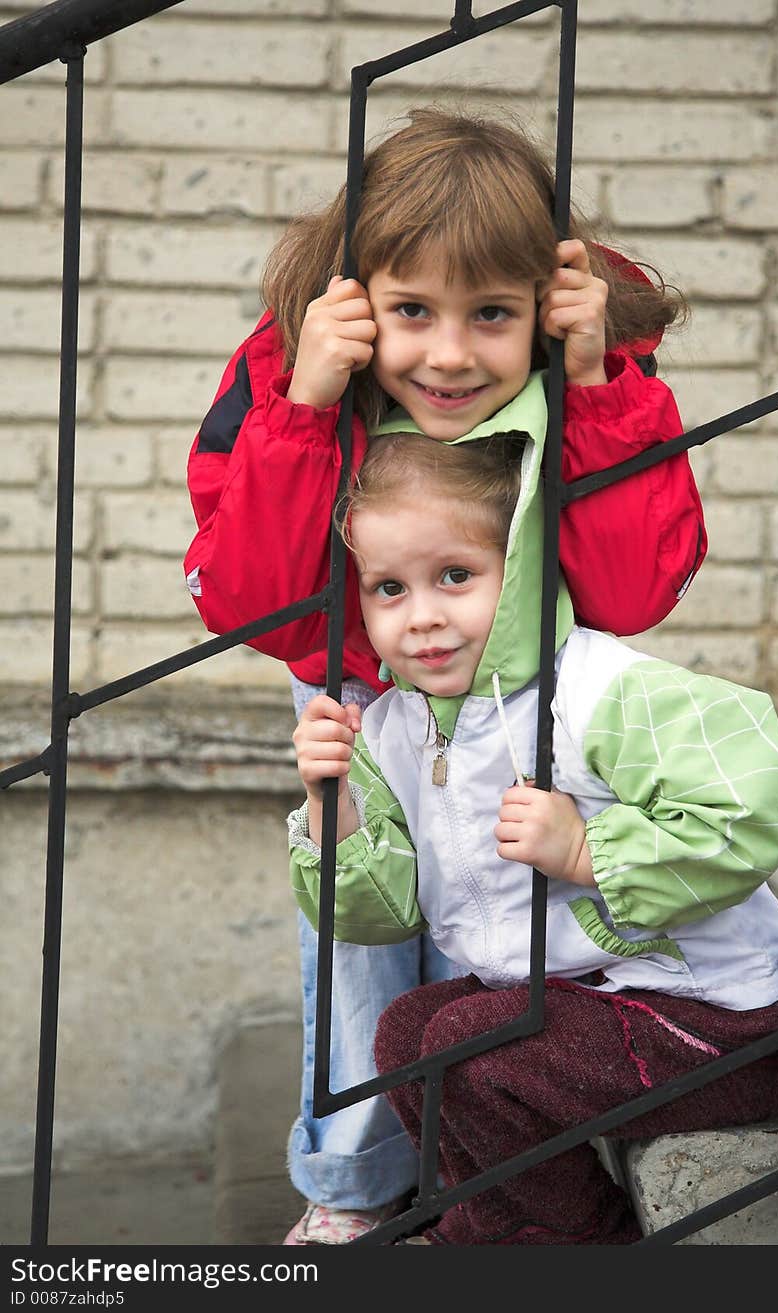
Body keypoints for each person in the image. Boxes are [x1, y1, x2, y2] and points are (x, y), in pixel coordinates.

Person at [183, 107, 708, 1244]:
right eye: (412, 310)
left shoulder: (594, 356)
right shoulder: (285, 361)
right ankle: (356, 1181)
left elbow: (630, 592)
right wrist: (308, 405)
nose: (451, 355)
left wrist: (596, 381)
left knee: (512, 914)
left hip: (529, 696)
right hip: (360, 681)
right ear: (358, 292)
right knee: (367, 930)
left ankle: (496, 1159)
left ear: (540, 300)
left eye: (490, 315)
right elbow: (255, 605)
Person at [288, 421, 778, 1246]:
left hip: (713, 1019)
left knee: (463, 1045)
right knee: (405, 1030)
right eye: (389, 588)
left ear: (519, 569)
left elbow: (743, 801)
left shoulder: (593, 689)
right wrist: (331, 802)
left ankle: (578, 1241)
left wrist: (586, 850)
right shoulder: (391, 729)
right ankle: (493, 1225)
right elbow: (382, 914)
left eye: (455, 576)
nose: (420, 617)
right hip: (575, 1003)